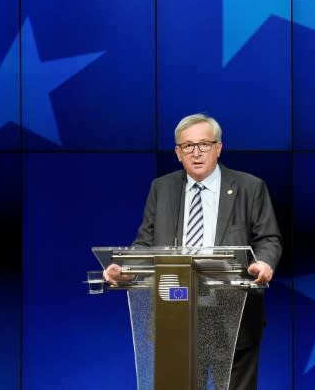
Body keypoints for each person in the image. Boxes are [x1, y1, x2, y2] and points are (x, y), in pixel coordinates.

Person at [103, 113, 282, 390]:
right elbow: (145, 243)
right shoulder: (161, 189)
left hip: (233, 312)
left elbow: (268, 239)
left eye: (204, 145)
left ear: (218, 148)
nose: (196, 153)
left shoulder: (249, 187)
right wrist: (127, 268)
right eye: (188, 146)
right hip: (176, 307)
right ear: (178, 153)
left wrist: (264, 263)